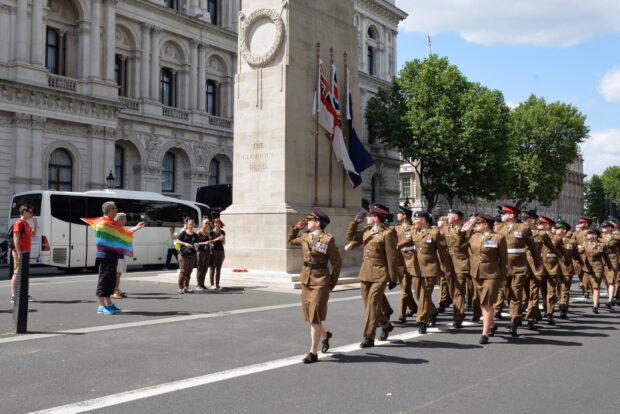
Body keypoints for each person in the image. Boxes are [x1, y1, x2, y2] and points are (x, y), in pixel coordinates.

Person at [288, 208, 342, 364]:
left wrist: (332, 283)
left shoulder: (327, 240)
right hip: (306, 280)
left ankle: (313, 352)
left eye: (310, 220)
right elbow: (291, 241)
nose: (307, 222)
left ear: (317, 223)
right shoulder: (305, 237)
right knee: (311, 317)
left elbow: (337, 263)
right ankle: (325, 336)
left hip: (321, 281)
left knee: (315, 316)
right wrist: (295, 229)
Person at [345, 204, 399, 348]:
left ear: (376, 218)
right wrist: (354, 223)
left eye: (369, 216)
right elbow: (350, 236)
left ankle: (369, 337)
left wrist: (393, 278)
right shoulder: (367, 231)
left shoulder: (386, 234)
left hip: (379, 274)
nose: (366, 218)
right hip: (365, 273)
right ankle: (386, 325)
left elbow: (392, 257)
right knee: (368, 306)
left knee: (373, 304)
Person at [397, 210, 451, 334]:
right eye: (414, 219)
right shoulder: (413, 232)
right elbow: (406, 241)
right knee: (418, 294)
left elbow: (443, 253)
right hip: (416, 269)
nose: (414, 221)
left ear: (423, 220)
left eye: (416, 219)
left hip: (430, 268)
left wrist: (446, 269)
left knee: (425, 296)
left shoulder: (435, 233)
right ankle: (433, 311)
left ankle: (422, 321)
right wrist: (397, 246)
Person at [86, 201, 143, 315]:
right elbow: (122, 233)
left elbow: (123, 232)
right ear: (111, 210)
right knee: (104, 279)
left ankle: (109, 303)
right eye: (116, 208)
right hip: (105, 255)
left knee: (110, 280)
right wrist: (134, 229)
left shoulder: (110, 223)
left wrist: (136, 227)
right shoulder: (104, 223)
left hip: (112, 255)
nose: (117, 210)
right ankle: (101, 306)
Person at [467, 214, 508, 344]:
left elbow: (504, 259)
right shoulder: (474, 236)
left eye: (478, 223)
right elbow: (470, 253)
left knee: (486, 303)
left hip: (492, 274)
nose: (476, 225)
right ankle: (492, 325)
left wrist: (503, 276)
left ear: (486, 224)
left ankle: (485, 334)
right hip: (476, 274)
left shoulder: (498, 237)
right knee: (481, 302)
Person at [443, 209, 475, 328]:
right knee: (452, 290)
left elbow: (466, 243)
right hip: (449, 263)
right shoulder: (446, 229)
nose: (447, 216)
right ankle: (459, 312)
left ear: (456, 217)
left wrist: (461, 238)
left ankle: (458, 317)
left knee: (458, 289)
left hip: (461, 262)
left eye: (449, 215)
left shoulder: (467, 229)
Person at [111, 212, 145, 299]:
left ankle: (116, 290)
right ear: (121, 219)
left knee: (118, 273)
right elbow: (127, 232)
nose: (126, 220)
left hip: (119, 254)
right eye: (125, 219)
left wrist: (137, 226)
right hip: (117, 254)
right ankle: (115, 291)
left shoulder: (117, 227)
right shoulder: (116, 227)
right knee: (117, 274)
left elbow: (127, 231)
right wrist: (137, 227)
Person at [394, 205, 418, 323]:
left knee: (405, 287)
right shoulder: (397, 228)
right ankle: (414, 308)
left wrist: (399, 245)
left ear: (404, 216)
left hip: (409, 258)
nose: (397, 215)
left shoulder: (412, 228)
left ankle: (402, 313)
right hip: (399, 259)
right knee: (404, 287)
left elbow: (409, 240)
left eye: (399, 213)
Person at [10, 204, 37, 304]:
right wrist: (19, 252)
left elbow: (33, 235)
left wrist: (35, 224)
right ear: (24, 212)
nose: (31, 214)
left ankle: (23, 294)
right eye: (30, 212)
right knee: (17, 273)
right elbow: (15, 238)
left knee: (24, 274)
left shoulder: (26, 224)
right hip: (19, 252)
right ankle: (13, 296)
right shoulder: (18, 223)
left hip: (25, 253)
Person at [582, 227, 614, 313]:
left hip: (598, 268)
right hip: (587, 268)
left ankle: (595, 306)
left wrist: (609, 267)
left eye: (590, 233)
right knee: (590, 287)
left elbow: (606, 257)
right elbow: (579, 252)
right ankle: (596, 301)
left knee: (595, 286)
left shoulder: (602, 245)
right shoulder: (585, 243)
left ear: (595, 235)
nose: (588, 234)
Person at [599, 220, 618, 309]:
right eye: (603, 227)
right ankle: (611, 298)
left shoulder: (615, 237)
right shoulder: (599, 237)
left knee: (611, 280)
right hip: (602, 260)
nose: (603, 228)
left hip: (612, 260)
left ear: (610, 228)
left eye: (605, 227)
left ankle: (610, 300)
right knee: (606, 281)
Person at [176, 218, 197, 294]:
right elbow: (177, 241)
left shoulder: (195, 235)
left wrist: (196, 245)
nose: (191, 226)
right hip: (183, 255)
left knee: (189, 271)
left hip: (192, 254)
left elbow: (196, 243)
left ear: (194, 225)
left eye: (192, 224)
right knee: (183, 271)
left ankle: (186, 287)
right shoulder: (183, 233)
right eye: (189, 224)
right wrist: (185, 244)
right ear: (187, 225)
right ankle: (180, 287)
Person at [194, 218, 212, 291]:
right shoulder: (198, 232)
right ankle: (198, 284)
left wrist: (211, 243)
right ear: (202, 224)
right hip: (200, 252)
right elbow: (195, 243)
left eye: (208, 223)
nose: (207, 225)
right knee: (200, 268)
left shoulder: (208, 233)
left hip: (207, 251)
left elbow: (210, 240)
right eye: (206, 223)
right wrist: (204, 243)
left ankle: (202, 283)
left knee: (205, 268)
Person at [209, 218, 226, 289]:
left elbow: (224, 243)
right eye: (215, 223)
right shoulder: (211, 232)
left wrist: (223, 239)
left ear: (220, 224)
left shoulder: (222, 232)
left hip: (221, 251)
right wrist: (217, 239)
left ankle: (217, 284)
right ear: (213, 224)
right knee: (212, 268)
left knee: (219, 269)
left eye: (218, 223)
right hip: (214, 251)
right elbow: (210, 242)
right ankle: (212, 284)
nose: (216, 224)